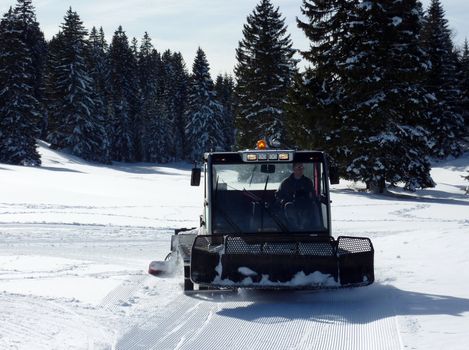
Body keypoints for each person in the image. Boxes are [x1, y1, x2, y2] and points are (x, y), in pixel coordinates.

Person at [275, 162, 318, 229]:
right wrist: (282, 200)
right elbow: (278, 195)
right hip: (290, 207)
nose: (301, 170)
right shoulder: (286, 182)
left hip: (305, 206)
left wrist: (310, 198)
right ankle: (294, 227)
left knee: (311, 207)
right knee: (288, 206)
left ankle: (305, 227)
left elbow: (313, 195)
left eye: (302, 168)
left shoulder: (308, 182)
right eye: (299, 168)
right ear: (293, 169)